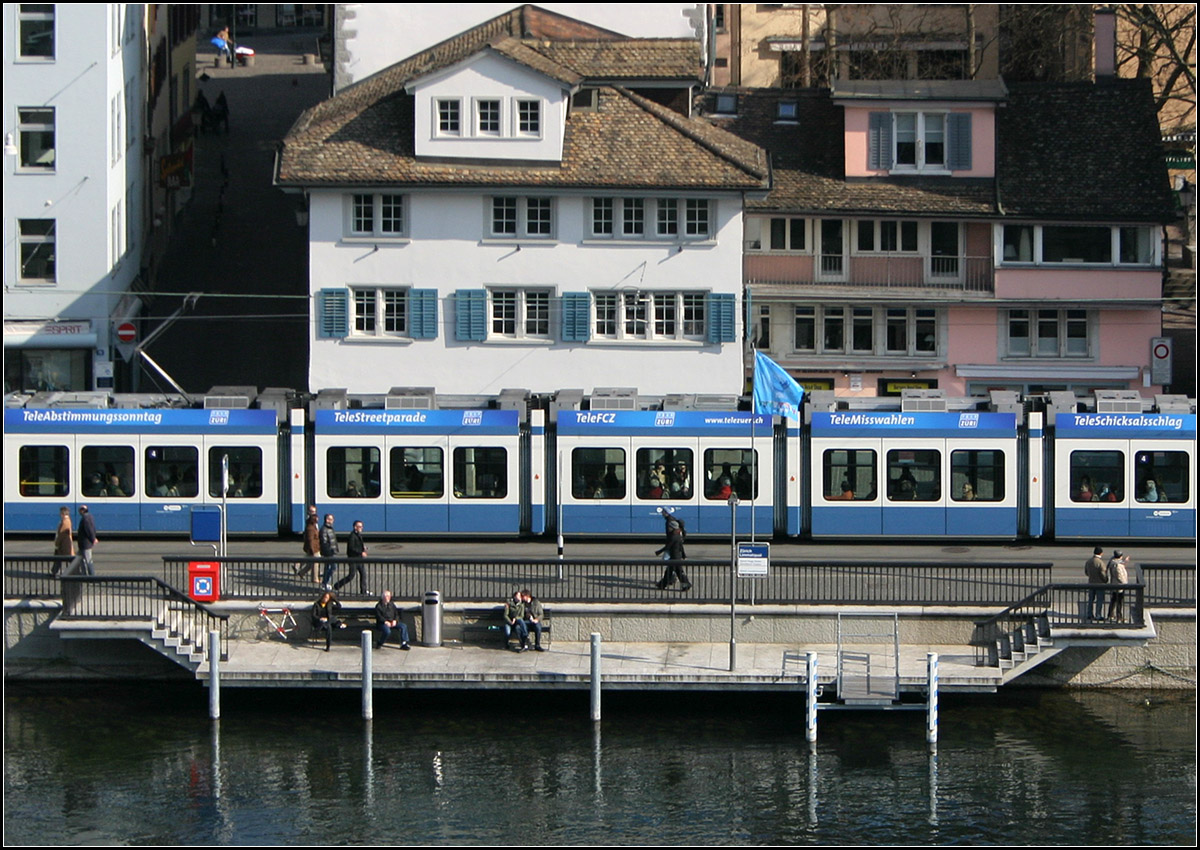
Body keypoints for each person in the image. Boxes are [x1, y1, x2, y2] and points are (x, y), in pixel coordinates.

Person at [655, 509, 691, 591]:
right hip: (677, 556)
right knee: (671, 572)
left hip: (674, 557)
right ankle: (663, 584)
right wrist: (684, 555)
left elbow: (668, 546)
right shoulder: (678, 536)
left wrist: (659, 552)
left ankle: (686, 584)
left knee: (677, 573)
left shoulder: (673, 537)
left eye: (670, 527)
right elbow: (681, 547)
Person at [334, 520, 369, 595]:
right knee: (351, 576)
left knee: (363, 574)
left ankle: (363, 591)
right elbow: (351, 548)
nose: (361, 528)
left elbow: (358, 545)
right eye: (359, 526)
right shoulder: (352, 536)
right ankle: (337, 586)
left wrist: (363, 548)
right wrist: (361, 552)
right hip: (353, 559)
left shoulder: (358, 535)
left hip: (359, 559)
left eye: (362, 526)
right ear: (355, 527)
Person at [1084, 545, 1107, 622]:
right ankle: (1098, 615)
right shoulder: (1100, 563)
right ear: (1101, 553)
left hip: (1091, 582)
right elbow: (1103, 574)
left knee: (1091, 599)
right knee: (1099, 600)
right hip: (1099, 584)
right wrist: (1106, 580)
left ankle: (1089, 614)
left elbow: (1086, 572)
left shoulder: (1089, 561)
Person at [1105, 550, 1130, 622]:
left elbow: (1120, 562)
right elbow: (1119, 576)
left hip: (1114, 584)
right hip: (1119, 586)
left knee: (1113, 600)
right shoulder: (1117, 565)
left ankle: (1111, 615)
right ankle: (1119, 617)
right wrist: (1125, 583)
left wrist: (1125, 561)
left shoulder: (1113, 562)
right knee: (1119, 602)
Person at [51, 506, 75, 576]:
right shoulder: (67, 521)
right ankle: (54, 571)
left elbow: (61, 535)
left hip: (63, 545)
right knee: (58, 558)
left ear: (62, 513)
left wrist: (57, 543)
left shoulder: (65, 522)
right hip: (64, 544)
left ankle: (69, 572)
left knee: (62, 558)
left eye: (60, 513)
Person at [318, 513, 339, 589]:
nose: (332, 521)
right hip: (329, 553)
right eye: (330, 519)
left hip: (331, 551)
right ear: (327, 520)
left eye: (332, 519)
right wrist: (330, 552)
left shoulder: (329, 528)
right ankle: (325, 583)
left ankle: (324, 583)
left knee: (327, 568)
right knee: (333, 567)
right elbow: (324, 542)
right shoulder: (324, 529)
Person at [301, 505, 321, 582]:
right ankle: (315, 578)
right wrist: (313, 549)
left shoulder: (313, 524)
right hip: (314, 548)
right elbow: (310, 539)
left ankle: (301, 571)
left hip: (314, 547)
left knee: (310, 563)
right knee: (315, 562)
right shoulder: (310, 527)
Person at [76, 505, 97, 576]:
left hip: (85, 544)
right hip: (83, 544)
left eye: (79, 510)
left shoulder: (85, 519)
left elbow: (89, 530)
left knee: (88, 560)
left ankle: (92, 575)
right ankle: (84, 574)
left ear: (82, 511)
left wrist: (93, 539)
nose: (79, 512)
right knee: (80, 559)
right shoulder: (89, 517)